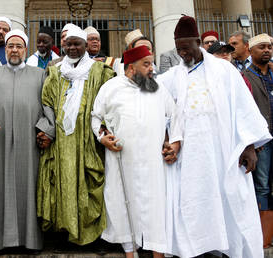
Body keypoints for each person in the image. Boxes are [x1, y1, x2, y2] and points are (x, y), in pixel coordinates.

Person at [157, 16, 271, 258]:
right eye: (179, 50)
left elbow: (243, 107)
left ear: (198, 42)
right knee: (195, 203)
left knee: (228, 204)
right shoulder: (170, 79)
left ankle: (225, 249)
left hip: (222, 153)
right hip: (189, 159)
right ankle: (197, 250)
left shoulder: (224, 71)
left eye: (187, 48)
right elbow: (159, 113)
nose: (183, 53)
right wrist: (167, 140)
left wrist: (249, 146)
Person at [92, 45, 181, 258]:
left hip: (153, 162)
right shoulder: (111, 87)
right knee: (122, 203)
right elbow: (96, 117)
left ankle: (158, 251)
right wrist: (102, 137)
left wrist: (175, 144)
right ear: (131, 68)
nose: (152, 68)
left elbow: (176, 117)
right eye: (146, 64)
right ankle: (130, 252)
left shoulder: (158, 88)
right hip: (122, 159)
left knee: (155, 206)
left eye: (152, 63)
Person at [0, 29, 53, 253]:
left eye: (19, 46)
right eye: (10, 46)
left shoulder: (40, 75)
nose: (14, 50)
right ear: (5, 49)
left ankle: (29, 242)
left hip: (29, 143)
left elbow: (49, 105)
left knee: (28, 187)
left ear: (26, 49)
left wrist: (46, 131)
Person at [37, 26, 116, 245]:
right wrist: (48, 130)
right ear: (63, 46)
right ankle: (63, 235)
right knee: (60, 186)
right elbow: (47, 103)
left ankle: (94, 238)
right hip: (61, 142)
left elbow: (109, 105)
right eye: (68, 44)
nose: (72, 48)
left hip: (88, 140)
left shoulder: (100, 72)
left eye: (77, 44)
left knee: (91, 185)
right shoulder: (55, 72)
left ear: (85, 46)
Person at [242, 34, 273, 233]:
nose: (267, 50)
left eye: (269, 47)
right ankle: (264, 235)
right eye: (261, 47)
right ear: (250, 51)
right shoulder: (245, 76)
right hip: (262, 140)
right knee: (262, 186)